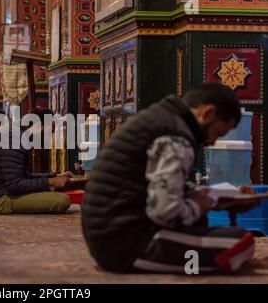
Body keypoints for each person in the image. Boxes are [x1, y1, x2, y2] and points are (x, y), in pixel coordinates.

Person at [82, 83, 256, 274]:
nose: (213, 142)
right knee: (242, 242)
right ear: (207, 113)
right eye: (218, 133)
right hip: (126, 247)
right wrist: (200, 205)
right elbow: (165, 213)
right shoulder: (177, 138)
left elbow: (160, 186)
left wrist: (223, 197)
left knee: (208, 228)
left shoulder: (164, 120)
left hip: (109, 239)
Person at [0, 107, 71, 214]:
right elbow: (14, 185)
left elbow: (21, 176)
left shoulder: (16, 133)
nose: (49, 137)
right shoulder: (12, 138)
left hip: (0, 193)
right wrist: (49, 182)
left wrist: (53, 177)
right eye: (50, 131)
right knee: (63, 200)